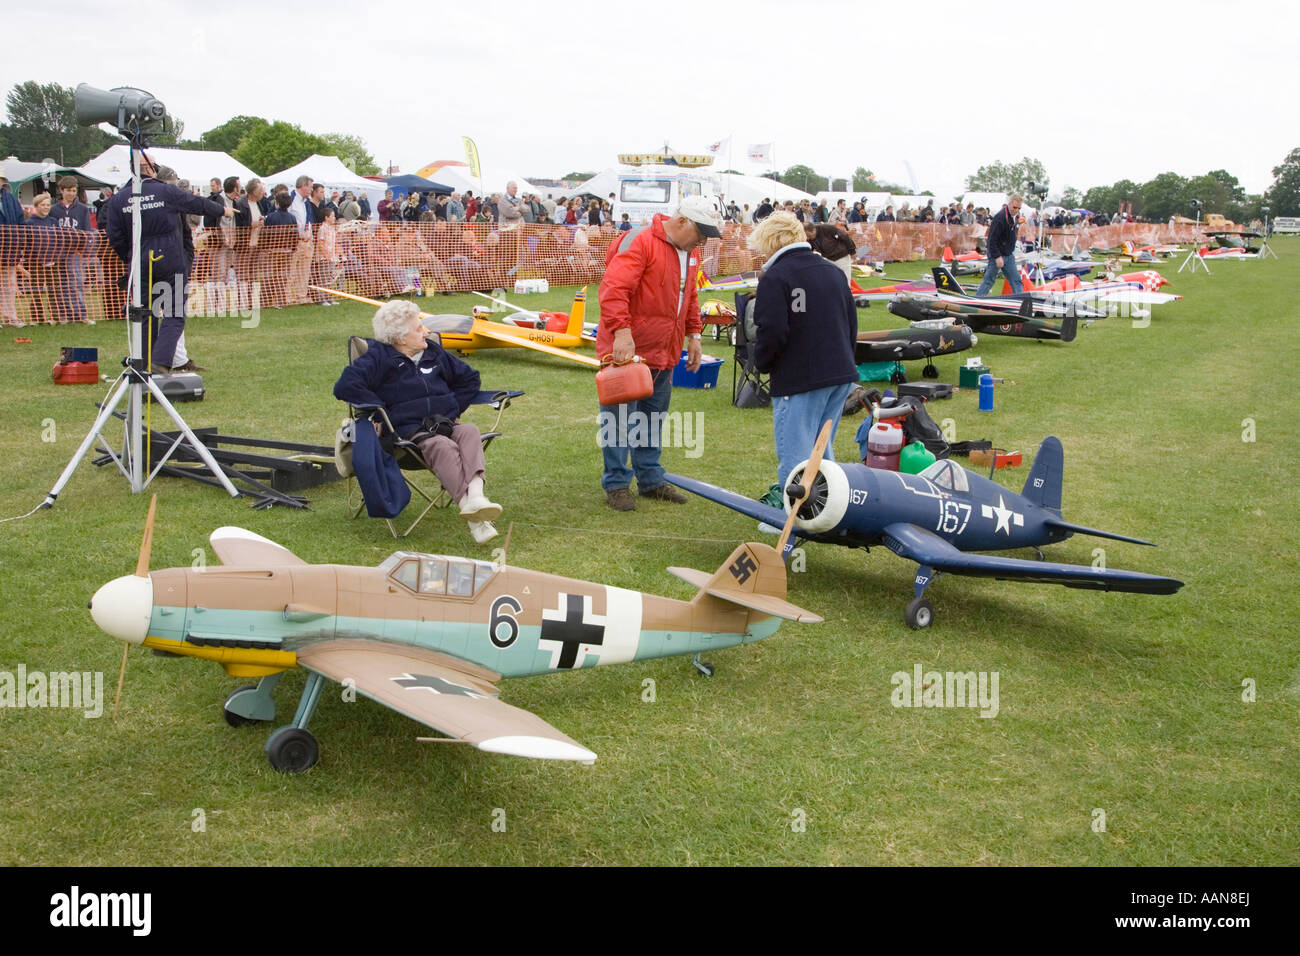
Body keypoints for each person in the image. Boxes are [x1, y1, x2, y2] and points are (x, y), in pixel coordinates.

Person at [334, 299, 501, 544]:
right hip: (410, 432)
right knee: (442, 446)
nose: (426, 332)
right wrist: (378, 412)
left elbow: (470, 379)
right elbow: (346, 386)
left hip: (444, 421)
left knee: (469, 431)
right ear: (400, 338)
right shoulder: (379, 358)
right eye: (417, 329)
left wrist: (454, 408)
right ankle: (475, 519)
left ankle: (476, 497)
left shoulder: (433, 352)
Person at [595, 195, 719, 511]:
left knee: (653, 417)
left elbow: (689, 294)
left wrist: (694, 335)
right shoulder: (640, 241)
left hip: (664, 351)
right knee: (619, 420)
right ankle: (617, 483)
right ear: (682, 222)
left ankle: (650, 479)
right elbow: (613, 290)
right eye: (700, 233)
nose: (702, 241)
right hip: (629, 351)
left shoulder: (689, 252)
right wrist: (622, 333)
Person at [747, 212, 858, 508]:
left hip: (800, 376)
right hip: (839, 372)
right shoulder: (833, 271)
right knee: (823, 451)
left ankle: (794, 517)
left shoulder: (777, 277)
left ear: (770, 241)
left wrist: (763, 363)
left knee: (796, 456)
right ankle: (829, 511)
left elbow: (771, 330)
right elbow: (850, 323)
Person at [103, 154, 231, 370]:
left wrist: (131, 256)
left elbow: (115, 236)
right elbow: (195, 203)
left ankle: (143, 364)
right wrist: (222, 209)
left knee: (145, 314)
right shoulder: (166, 191)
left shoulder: (118, 199)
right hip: (170, 258)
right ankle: (161, 360)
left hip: (139, 261)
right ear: (151, 169)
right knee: (174, 313)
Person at [974, 194, 1024, 297]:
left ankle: (1021, 303)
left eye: (1019, 208)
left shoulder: (1015, 217)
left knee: (1016, 280)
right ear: (1009, 204)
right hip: (997, 254)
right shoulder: (1000, 217)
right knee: (989, 281)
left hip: (1008, 254)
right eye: (1014, 207)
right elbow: (991, 240)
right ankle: (976, 301)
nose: (1016, 210)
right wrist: (997, 256)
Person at [0, 175, 25, 326]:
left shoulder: (11, 200)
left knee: (9, 285)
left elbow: (20, 222)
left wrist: (20, 246)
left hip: (9, 250)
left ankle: (10, 317)